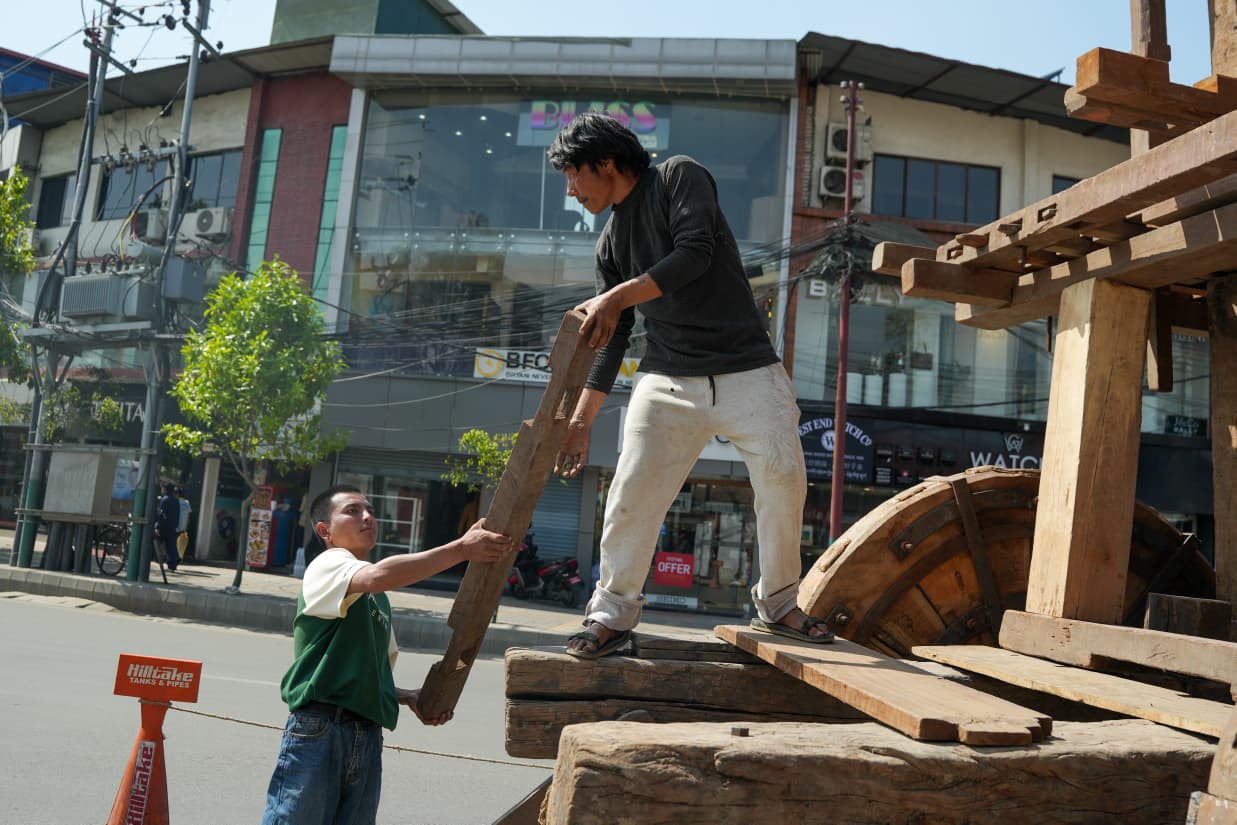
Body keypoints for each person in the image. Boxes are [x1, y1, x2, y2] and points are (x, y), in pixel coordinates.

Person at [546, 112, 833, 659]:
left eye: (573, 175)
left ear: (604, 164)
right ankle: (611, 614)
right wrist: (579, 423)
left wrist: (613, 297)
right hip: (667, 380)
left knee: (784, 477)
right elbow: (614, 337)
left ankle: (779, 605)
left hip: (749, 369)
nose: (570, 189)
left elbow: (695, 253)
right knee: (631, 492)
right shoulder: (609, 243)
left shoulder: (678, 175)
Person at [260, 484, 513, 825]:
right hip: (322, 729)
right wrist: (460, 549)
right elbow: (379, 575)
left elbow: (369, 673)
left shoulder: (376, 599)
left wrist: (409, 697)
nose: (367, 517)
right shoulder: (330, 563)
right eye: (352, 511)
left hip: (365, 734)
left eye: (371, 511)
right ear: (324, 531)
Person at [154, 483, 180, 572]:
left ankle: (155, 558)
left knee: (156, 543)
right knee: (171, 546)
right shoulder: (176, 501)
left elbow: (161, 515)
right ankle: (173, 564)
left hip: (164, 526)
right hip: (172, 526)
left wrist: (158, 526)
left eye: (162, 488)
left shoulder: (164, 500)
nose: (161, 490)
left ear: (165, 489)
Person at [175, 485, 192, 563]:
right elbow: (189, 514)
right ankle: (180, 556)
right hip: (184, 526)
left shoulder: (175, 502)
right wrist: (187, 525)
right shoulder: (187, 502)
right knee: (181, 543)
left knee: (175, 542)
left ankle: (176, 557)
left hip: (176, 526)